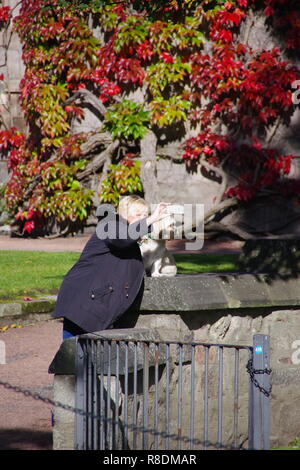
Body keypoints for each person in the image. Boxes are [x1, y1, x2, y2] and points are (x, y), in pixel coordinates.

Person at [51, 196, 171, 339]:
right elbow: (124, 239)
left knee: (86, 353)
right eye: (138, 214)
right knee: (74, 353)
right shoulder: (110, 225)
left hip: (93, 299)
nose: (143, 218)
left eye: (145, 215)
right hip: (82, 297)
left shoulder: (129, 236)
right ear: (123, 215)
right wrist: (151, 219)